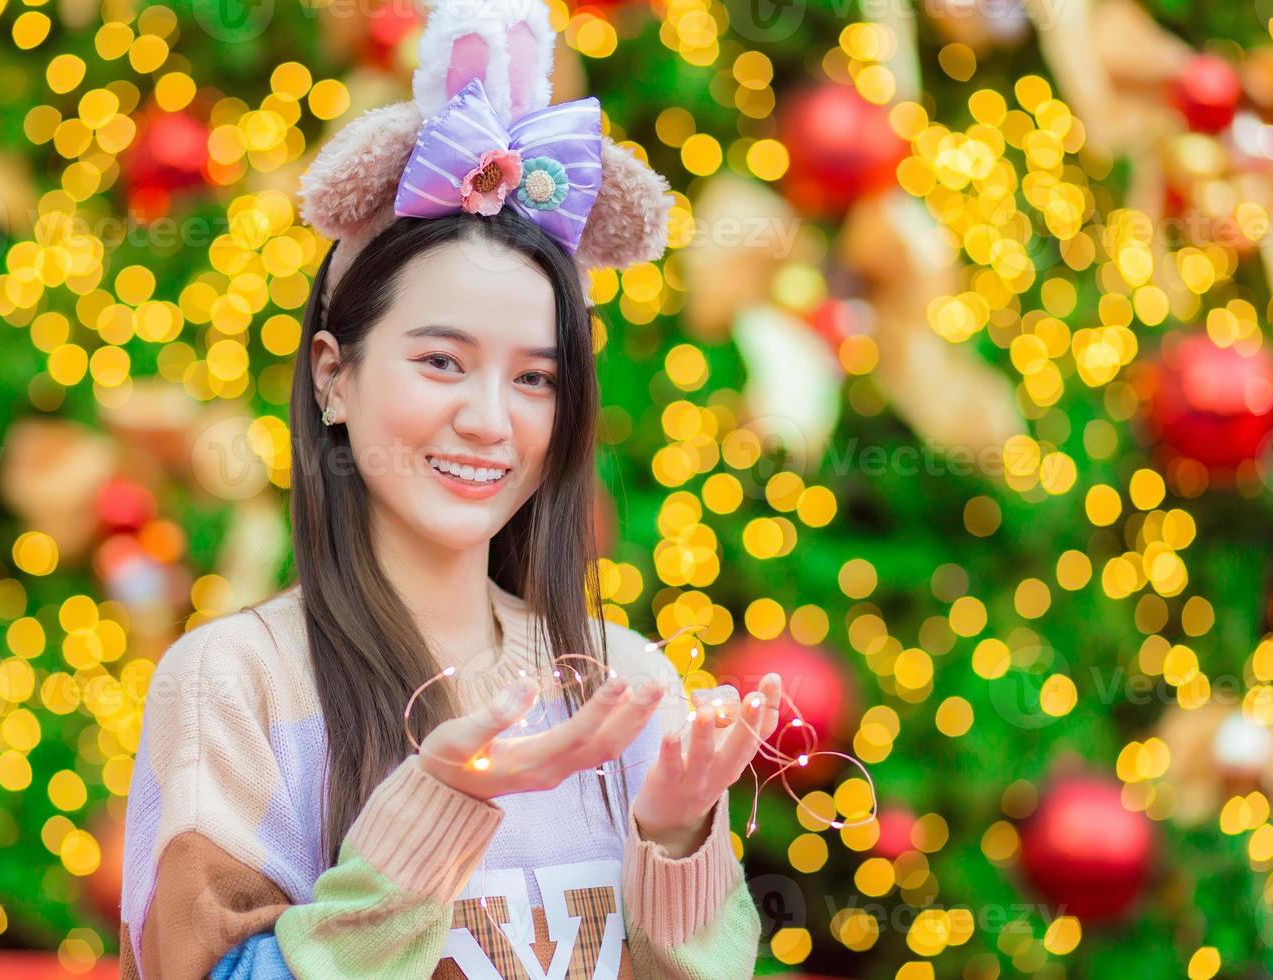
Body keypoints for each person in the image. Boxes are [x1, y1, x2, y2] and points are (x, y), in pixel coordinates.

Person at [119, 2, 783, 977]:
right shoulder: (236, 682)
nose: (489, 419)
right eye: (441, 361)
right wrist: (437, 804)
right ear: (331, 375)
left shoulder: (626, 682)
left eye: (535, 377)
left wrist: (674, 834)